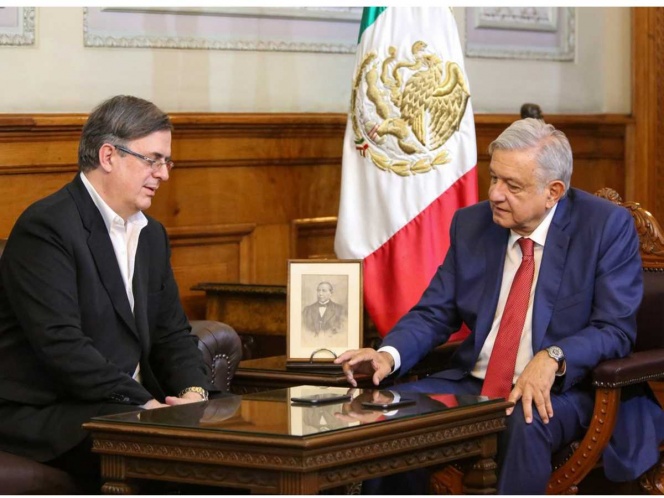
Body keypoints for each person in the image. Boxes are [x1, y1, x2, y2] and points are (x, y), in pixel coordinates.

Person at [335, 118, 662, 494]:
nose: (495, 194)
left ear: (553, 192)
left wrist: (554, 357)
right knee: (389, 412)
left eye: (512, 185)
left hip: (567, 389)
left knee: (525, 417)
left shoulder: (603, 227)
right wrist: (387, 355)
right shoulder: (472, 224)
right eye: (494, 178)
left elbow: (614, 329)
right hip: (473, 382)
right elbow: (434, 311)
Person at [0, 95, 215, 491]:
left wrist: (193, 394)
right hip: (54, 411)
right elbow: (63, 347)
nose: (163, 174)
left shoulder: (151, 234)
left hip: (128, 406)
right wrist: (146, 406)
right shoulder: (47, 228)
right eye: (153, 160)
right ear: (108, 155)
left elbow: (172, 333)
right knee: (185, 465)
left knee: (233, 453)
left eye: (167, 162)